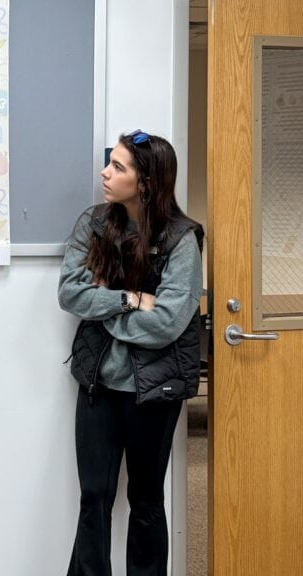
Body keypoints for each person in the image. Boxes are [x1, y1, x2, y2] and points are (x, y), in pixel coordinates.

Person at [58, 129, 203, 576]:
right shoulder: (94, 223)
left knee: (145, 501)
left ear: (146, 182)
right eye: (110, 162)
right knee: (93, 499)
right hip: (98, 383)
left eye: (118, 166)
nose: (105, 172)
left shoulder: (182, 239)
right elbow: (70, 293)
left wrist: (104, 302)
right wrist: (130, 299)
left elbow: (167, 323)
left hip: (155, 390)